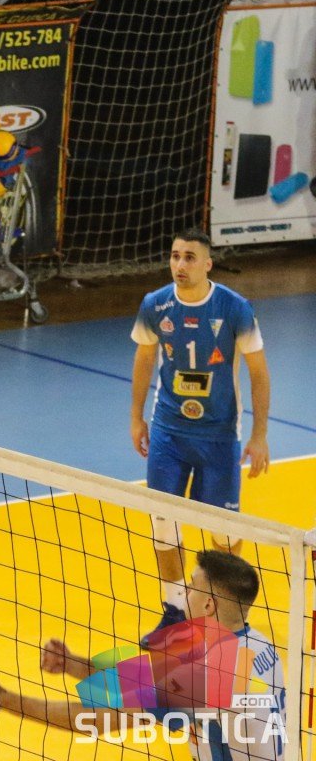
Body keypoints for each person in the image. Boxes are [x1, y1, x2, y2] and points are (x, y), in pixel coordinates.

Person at [0, 550, 284, 761]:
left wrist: (4, 700)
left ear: (208, 606)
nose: (185, 592)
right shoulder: (257, 645)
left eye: (191, 586)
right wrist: (73, 664)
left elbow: (94, 719)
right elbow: (135, 682)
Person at [130, 230, 270, 643]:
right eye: (175, 256)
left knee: (223, 534)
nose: (180, 264)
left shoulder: (234, 308)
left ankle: (225, 614)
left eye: (190, 257)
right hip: (168, 432)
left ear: (208, 264)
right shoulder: (155, 305)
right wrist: (136, 418)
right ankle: (175, 612)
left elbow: (259, 373)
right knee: (163, 525)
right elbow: (144, 357)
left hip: (219, 436)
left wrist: (260, 435)